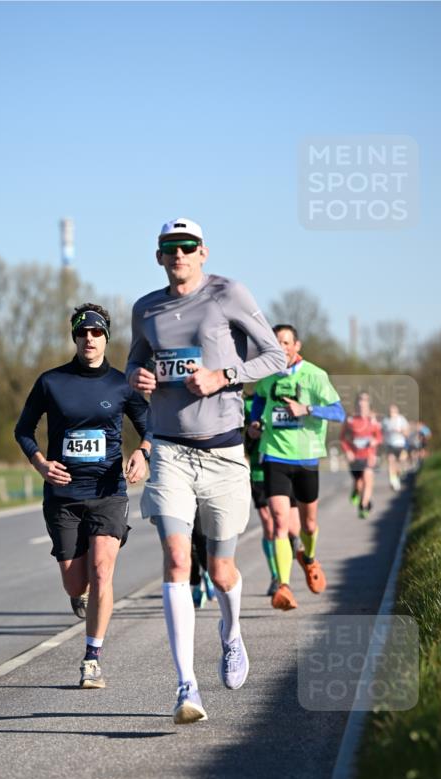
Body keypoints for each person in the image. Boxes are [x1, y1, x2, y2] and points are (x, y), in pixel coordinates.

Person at [126, 218, 285, 724]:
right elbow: (132, 366)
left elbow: (276, 357)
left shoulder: (228, 294)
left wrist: (223, 376)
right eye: (170, 248)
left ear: (203, 252)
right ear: (159, 257)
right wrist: (138, 376)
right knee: (177, 560)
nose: (179, 254)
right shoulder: (145, 309)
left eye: (187, 246)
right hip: (170, 450)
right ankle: (185, 686)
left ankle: (232, 635)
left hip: (223, 452)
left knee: (221, 571)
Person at [15, 303, 151, 689]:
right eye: (82, 333)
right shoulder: (51, 382)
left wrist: (142, 453)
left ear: (106, 336)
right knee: (76, 584)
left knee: (103, 570)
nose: (89, 339)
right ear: (74, 337)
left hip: (108, 491)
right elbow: (23, 430)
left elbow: (151, 426)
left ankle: (92, 658)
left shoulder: (123, 382)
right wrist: (41, 464)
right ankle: (83, 593)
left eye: (95, 333)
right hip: (63, 495)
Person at [248, 324, 345, 611]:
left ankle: (310, 558)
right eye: (277, 342)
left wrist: (308, 410)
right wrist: (254, 424)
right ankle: (284, 586)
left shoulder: (315, 376)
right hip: (275, 456)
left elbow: (339, 412)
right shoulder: (266, 375)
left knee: (309, 524)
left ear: (296, 346)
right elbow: (259, 402)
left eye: (286, 342)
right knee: (279, 522)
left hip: (306, 459)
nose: (282, 347)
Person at [243, 393, 300, 596]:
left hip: (286, 466)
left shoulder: (288, 397)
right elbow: (240, 436)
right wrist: (251, 432)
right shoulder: (247, 403)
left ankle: (293, 543)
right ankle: (277, 577)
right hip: (259, 469)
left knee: (291, 528)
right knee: (269, 524)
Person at [340, 391, 383, 518]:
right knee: (359, 483)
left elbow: (380, 437)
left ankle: (363, 506)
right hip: (355, 457)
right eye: (360, 404)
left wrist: (375, 441)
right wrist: (347, 451)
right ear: (356, 406)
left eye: (365, 404)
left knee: (368, 480)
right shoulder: (350, 420)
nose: (362, 406)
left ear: (369, 405)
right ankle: (355, 491)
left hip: (369, 456)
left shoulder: (373, 420)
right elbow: (342, 438)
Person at [382, 404, 409, 490]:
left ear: (397, 411)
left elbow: (407, 433)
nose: (391, 413)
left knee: (400, 464)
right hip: (390, 445)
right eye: (390, 411)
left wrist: (400, 431)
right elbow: (381, 432)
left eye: (393, 411)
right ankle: (393, 481)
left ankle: (397, 476)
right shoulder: (385, 421)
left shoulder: (401, 420)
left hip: (401, 444)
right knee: (391, 462)